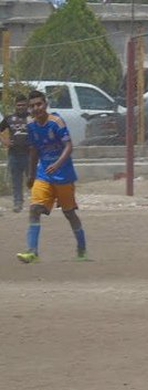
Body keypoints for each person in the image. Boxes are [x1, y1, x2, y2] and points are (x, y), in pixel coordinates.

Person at [15, 90, 87, 263]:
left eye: (38, 104)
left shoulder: (56, 122)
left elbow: (68, 146)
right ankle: (32, 252)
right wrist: (31, 174)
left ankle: (82, 248)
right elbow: (34, 151)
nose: (35, 108)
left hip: (64, 176)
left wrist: (57, 164)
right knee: (34, 209)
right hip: (44, 175)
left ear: (45, 104)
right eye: (32, 106)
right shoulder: (31, 127)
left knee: (69, 213)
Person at [0, 95, 31, 213]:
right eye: (19, 105)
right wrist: (4, 141)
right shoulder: (9, 119)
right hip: (14, 155)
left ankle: (37, 202)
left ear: (27, 105)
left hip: (29, 154)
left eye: (23, 105)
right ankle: (18, 203)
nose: (21, 107)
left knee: (33, 179)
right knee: (16, 181)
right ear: (15, 106)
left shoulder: (32, 118)